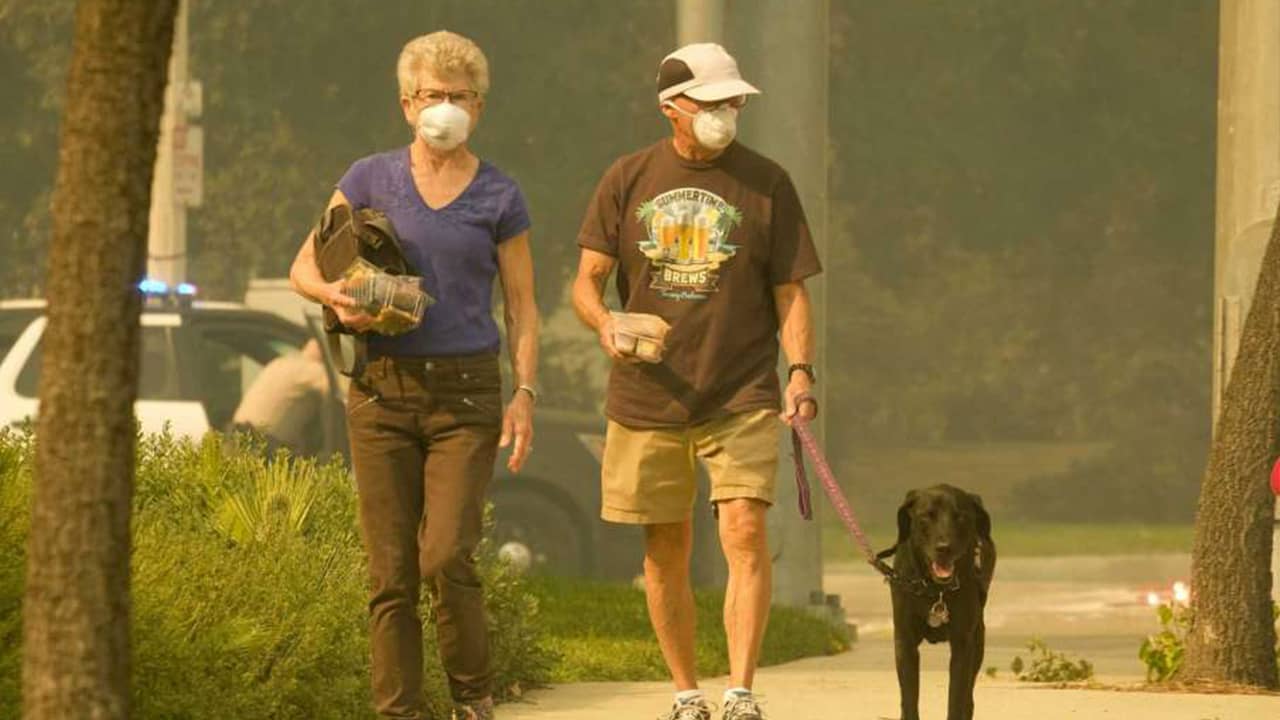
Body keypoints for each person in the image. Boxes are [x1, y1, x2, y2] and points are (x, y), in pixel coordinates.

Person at [288, 30, 538, 720]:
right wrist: (338, 297)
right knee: (390, 573)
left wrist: (524, 392)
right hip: (381, 391)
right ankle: (399, 710)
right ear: (407, 104)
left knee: (446, 555)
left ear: (479, 108)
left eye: (461, 97)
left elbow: (521, 306)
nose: (446, 109)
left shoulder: (499, 194)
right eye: (434, 95)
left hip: (467, 393)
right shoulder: (369, 178)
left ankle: (471, 697)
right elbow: (303, 267)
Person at [572, 43, 821, 720]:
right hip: (648, 394)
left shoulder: (767, 182)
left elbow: (791, 292)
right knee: (665, 547)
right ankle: (687, 693)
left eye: (733, 101)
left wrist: (799, 372)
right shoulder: (628, 178)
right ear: (671, 108)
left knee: (743, 531)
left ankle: (740, 691)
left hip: (741, 389)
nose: (726, 113)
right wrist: (607, 323)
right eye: (712, 103)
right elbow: (587, 282)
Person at [229, 338, 330, 456]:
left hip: (237, 437)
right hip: (262, 446)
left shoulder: (281, 362)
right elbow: (342, 389)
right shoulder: (312, 370)